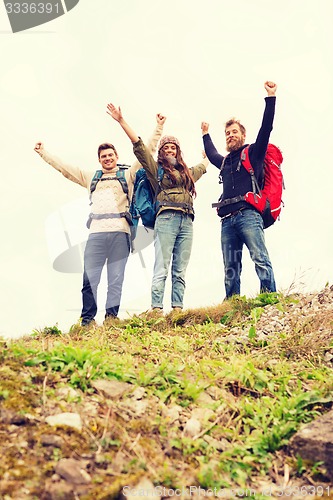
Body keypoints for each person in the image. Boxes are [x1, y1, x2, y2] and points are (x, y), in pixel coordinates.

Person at [34, 114, 166, 326]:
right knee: (89, 280)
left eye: (110, 155)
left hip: (120, 234)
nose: (107, 158)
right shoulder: (91, 178)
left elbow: (146, 151)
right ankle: (87, 320)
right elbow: (64, 169)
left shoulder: (128, 175)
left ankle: (111, 318)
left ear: (116, 156)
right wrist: (43, 153)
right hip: (96, 234)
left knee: (116, 280)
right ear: (99, 160)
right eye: (104, 156)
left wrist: (158, 126)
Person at [107, 103, 208, 314]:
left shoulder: (188, 174)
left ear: (178, 152)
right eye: (166, 148)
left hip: (187, 220)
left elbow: (204, 166)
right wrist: (121, 121)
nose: (170, 150)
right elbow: (140, 147)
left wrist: (207, 147)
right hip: (166, 219)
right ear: (161, 152)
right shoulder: (155, 170)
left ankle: (177, 309)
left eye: (173, 148)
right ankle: (156, 309)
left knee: (180, 269)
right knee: (162, 266)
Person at [201, 81, 278, 298]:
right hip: (227, 221)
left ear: (243, 135)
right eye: (227, 133)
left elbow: (266, 129)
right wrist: (206, 134)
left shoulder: (253, 154)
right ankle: (232, 303)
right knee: (230, 268)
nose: (230, 135)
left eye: (234, 132)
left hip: (249, 216)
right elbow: (212, 152)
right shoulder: (224, 162)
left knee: (260, 258)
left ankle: (269, 298)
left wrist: (270, 98)